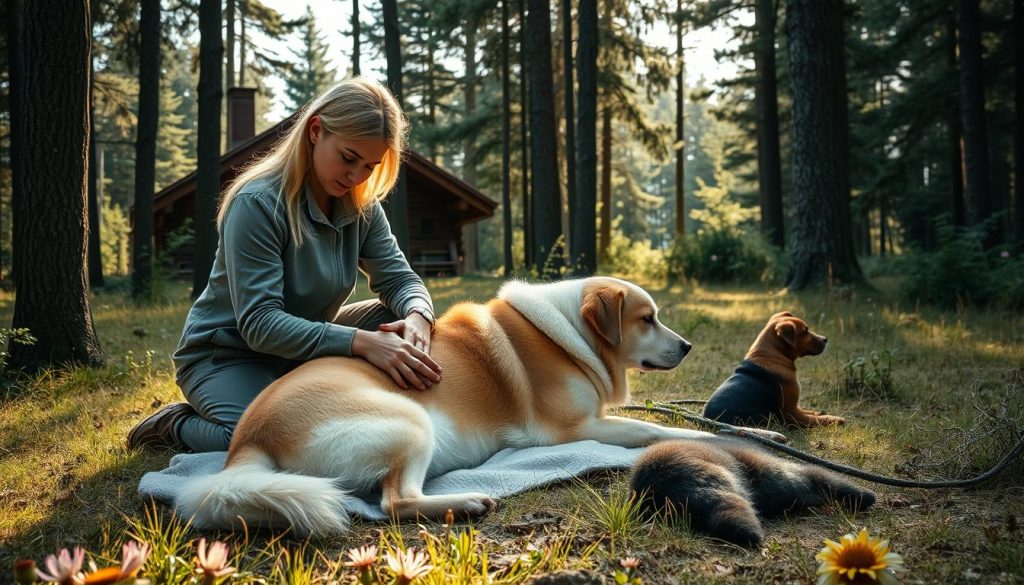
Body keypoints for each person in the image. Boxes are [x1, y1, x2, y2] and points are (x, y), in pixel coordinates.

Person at [127, 77, 442, 452]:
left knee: (395, 322)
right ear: (315, 131)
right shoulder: (257, 204)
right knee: (264, 438)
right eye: (348, 158)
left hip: (305, 346)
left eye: (370, 167)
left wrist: (419, 315)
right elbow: (260, 324)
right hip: (229, 355)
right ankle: (173, 426)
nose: (356, 176)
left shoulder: (361, 206)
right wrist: (360, 343)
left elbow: (400, 279)